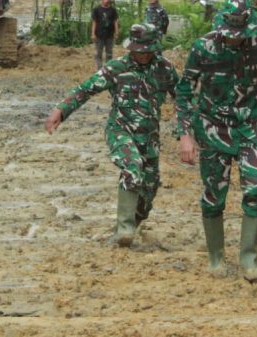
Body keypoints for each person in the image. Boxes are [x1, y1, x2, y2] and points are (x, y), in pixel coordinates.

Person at [175, 0, 257, 282]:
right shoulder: (203, 47)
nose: (234, 39)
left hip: (248, 127)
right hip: (212, 127)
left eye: (239, 35)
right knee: (213, 195)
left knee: (256, 188)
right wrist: (185, 134)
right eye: (230, 35)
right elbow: (184, 91)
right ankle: (216, 258)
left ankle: (249, 260)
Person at [45, 24, 179, 247]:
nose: (143, 55)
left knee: (149, 188)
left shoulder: (165, 69)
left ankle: (129, 225)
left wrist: (190, 129)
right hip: (121, 130)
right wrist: (61, 110)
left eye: (148, 50)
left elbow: (183, 97)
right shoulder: (117, 68)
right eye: (139, 50)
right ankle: (124, 231)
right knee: (132, 167)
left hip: (150, 138)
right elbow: (86, 89)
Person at [90, 0, 119, 70]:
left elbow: (115, 21)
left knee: (109, 53)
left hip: (109, 35)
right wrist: (93, 34)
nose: (106, 0)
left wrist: (116, 32)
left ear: (110, 0)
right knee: (98, 54)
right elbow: (94, 22)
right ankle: (99, 69)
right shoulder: (96, 9)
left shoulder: (113, 10)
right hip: (99, 35)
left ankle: (108, 69)